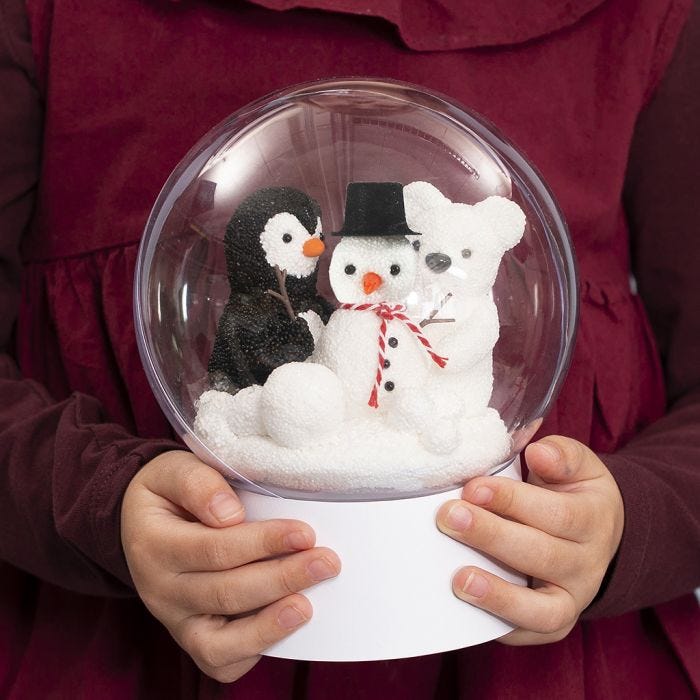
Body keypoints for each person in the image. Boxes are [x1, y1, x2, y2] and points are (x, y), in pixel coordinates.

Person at [1, 0, 698, 697]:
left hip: (549, 667)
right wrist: (94, 500)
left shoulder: (641, 18)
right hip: (122, 654)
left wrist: (628, 525)